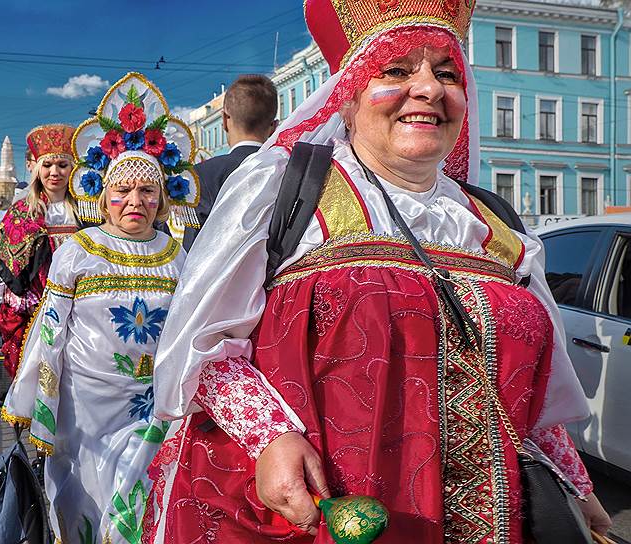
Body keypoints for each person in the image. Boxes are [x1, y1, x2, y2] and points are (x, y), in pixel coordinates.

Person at [147, 2, 611, 543]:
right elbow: (203, 344)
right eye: (396, 71)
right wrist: (270, 438)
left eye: (447, 73)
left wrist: (578, 489)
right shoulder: (285, 191)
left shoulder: (497, 227)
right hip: (327, 508)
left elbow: (536, 397)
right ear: (348, 95)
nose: (430, 90)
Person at [3, 72, 197, 544]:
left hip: (155, 405)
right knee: (86, 505)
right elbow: (50, 330)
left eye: (147, 191)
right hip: (84, 410)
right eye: (123, 190)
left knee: (144, 506)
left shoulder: (178, 253)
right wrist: (38, 405)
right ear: (103, 195)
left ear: (163, 197)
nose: (136, 201)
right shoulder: (81, 249)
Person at [0, 123, 79, 377]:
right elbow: (9, 263)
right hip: (35, 305)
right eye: (48, 165)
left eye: (62, 165)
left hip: (79, 304)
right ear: (37, 169)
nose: (55, 172)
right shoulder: (23, 210)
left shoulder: (86, 210)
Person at [182, 74, 278, 252]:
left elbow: (192, 248)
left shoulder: (202, 175)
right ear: (274, 126)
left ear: (225, 120)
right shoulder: (288, 168)